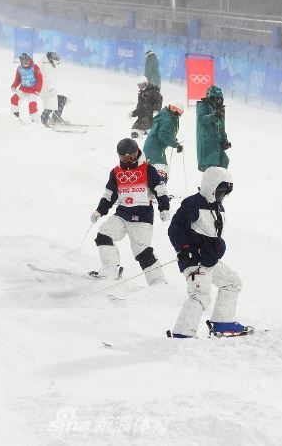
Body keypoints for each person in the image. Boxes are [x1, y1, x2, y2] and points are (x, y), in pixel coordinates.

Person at [167, 166, 251, 338]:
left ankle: (222, 322)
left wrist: (215, 247)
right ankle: (182, 333)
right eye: (219, 192)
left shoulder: (218, 208)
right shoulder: (193, 204)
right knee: (200, 294)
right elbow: (175, 229)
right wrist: (188, 248)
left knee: (231, 283)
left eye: (224, 193)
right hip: (194, 259)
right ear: (210, 187)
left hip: (209, 260)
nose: (221, 196)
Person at [88, 137, 170, 284]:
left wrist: (164, 208)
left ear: (137, 153)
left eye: (131, 156)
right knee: (104, 235)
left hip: (142, 216)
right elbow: (109, 195)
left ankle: (158, 282)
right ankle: (111, 269)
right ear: (119, 156)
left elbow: (160, 190)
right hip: (123, 213)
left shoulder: (148, 169)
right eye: (124, 158)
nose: (128, 161)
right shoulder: (116, 172)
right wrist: (99, 211)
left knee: (141, 250)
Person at [143, 104, 184, 181]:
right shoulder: (169, 119)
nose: (179, 116)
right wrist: (176, 144)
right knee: (162, 171)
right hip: (155, 149)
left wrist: (172, 139)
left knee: (154, 171)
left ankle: (153, 186)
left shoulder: (164, 114)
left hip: (151, 147)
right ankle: (159, 187)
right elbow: (163, 135)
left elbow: (164, 131)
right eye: (179, 113)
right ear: (176, 111)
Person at [196, 85, 230, 172]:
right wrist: (214, 116)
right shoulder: (203, 106)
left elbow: (221, 127)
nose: (217, 101)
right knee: (211, 166)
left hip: (217, 144)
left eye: (219, 99)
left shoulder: (220, 109)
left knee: (224, 162)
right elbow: (201, 119)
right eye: (214, 98)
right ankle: (210, 180)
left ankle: (219, 180)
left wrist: (225, 141)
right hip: (207, 144)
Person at [10, 52, 43, 123]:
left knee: (32, 105)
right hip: (23, 89)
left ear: (29, 59)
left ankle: (36, 121)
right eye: (23, 61)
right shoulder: (19, 68)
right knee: (14, 99)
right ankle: (15, 117)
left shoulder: (35, 67)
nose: (25, 63)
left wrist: (38, 89)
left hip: (33, 90)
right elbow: (17, 79)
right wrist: (14, 86)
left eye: (26, 61)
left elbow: (40, 79)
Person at [38, 51, 68, 126]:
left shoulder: (48, 65)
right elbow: (48, 79)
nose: (57, 59)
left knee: (60, 100)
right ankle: (44, 119)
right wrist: (51, 89)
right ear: (50, 58)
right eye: (55, 57)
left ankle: (55, 118)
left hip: (47, 90)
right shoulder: (47, 66)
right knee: (51, 105)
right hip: (47, 90)